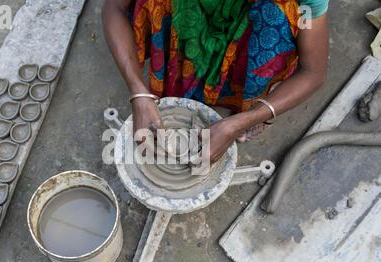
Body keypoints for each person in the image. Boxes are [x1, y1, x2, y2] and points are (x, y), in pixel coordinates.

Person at [102, 0, 329, 163]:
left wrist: (248, 119)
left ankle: (248, 104)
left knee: (284, 15)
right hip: (190, 14)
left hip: (249, 19)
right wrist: (138, 92)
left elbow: (313, 71)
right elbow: (114, 7)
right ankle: (183, 74)